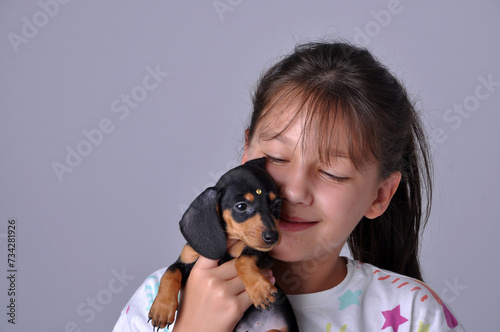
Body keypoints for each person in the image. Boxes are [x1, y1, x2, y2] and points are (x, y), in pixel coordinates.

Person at [113, 41, 464, 331]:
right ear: (246, 153)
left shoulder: (414, 314)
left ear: (380, 195)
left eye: (333, 173)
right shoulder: (163, 298)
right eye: (278, 159)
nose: (293, 192)